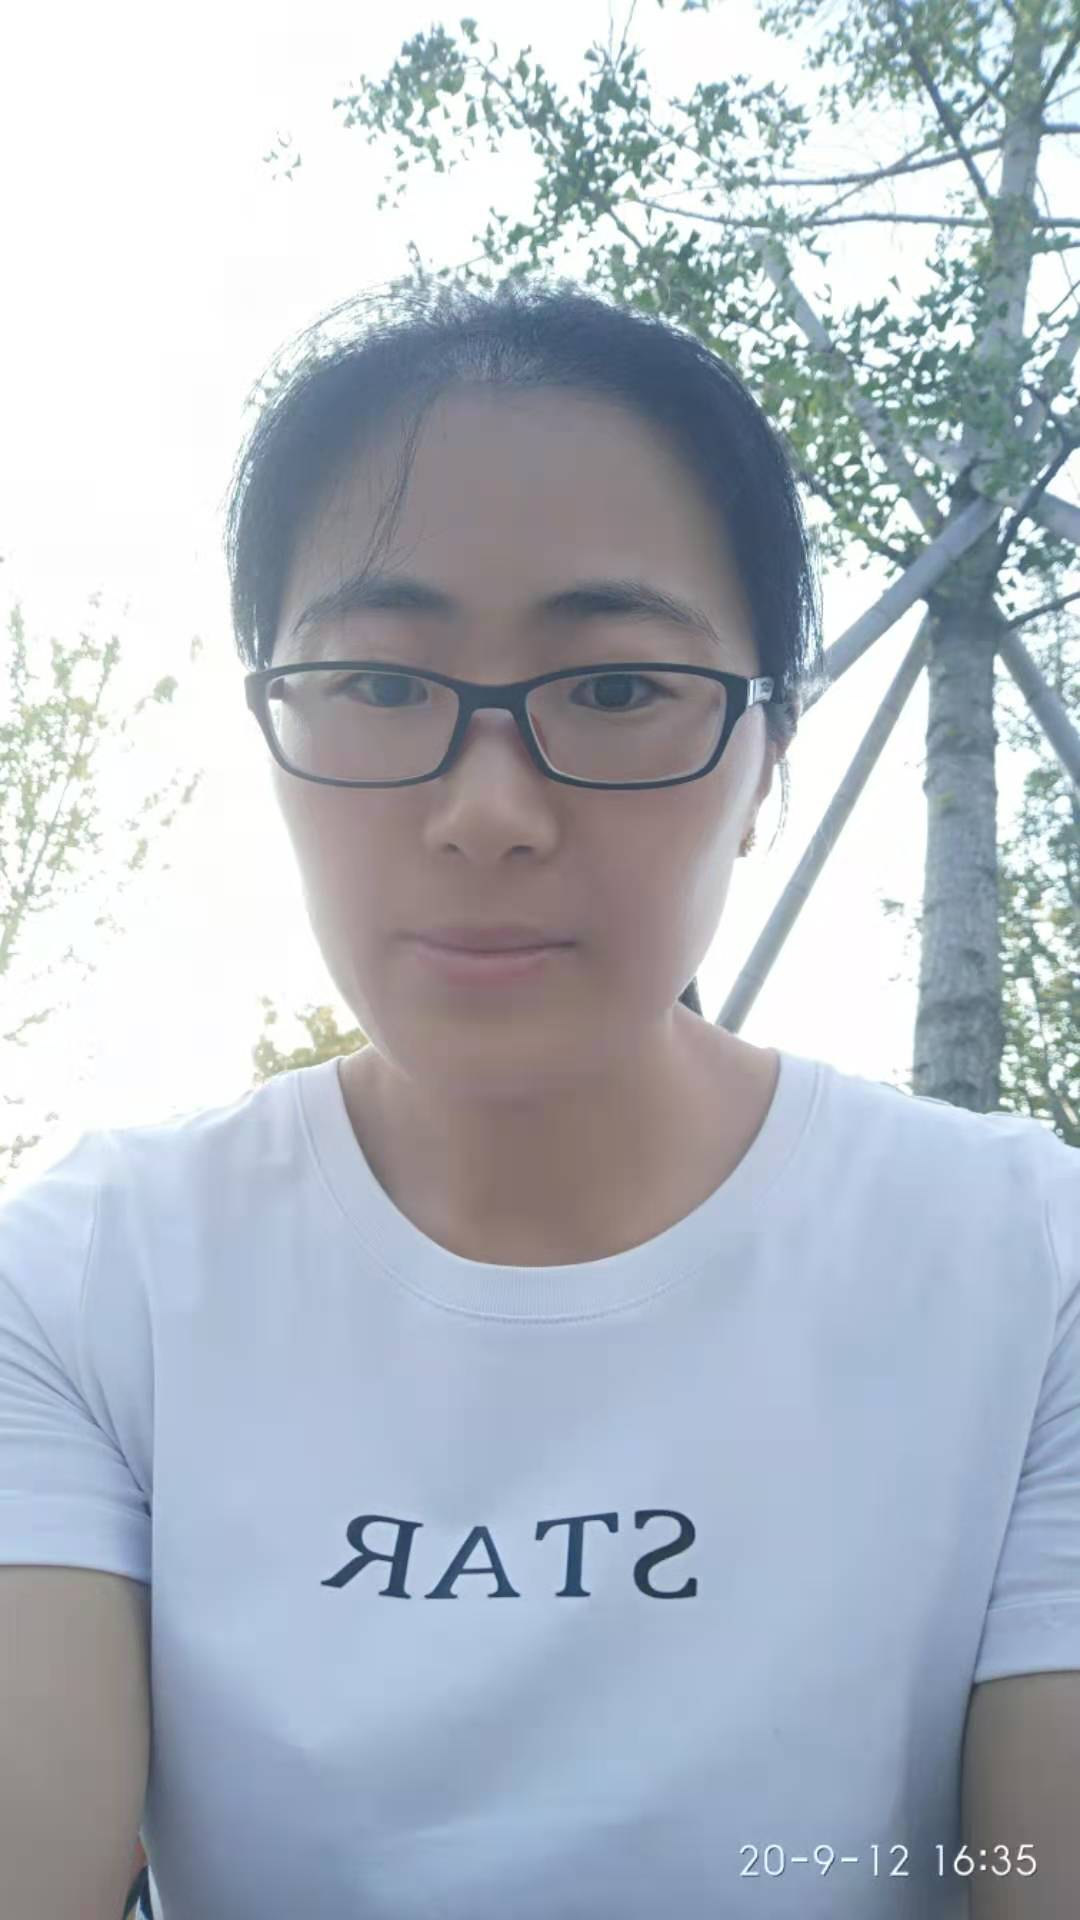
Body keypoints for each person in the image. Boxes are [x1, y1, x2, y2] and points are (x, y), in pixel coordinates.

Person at [1, 275, 1077, 1920]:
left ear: (768, 757)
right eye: (379, 685)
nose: (487, 809)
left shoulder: (1026, 1271)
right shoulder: (96, 1284)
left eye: (617, 688)